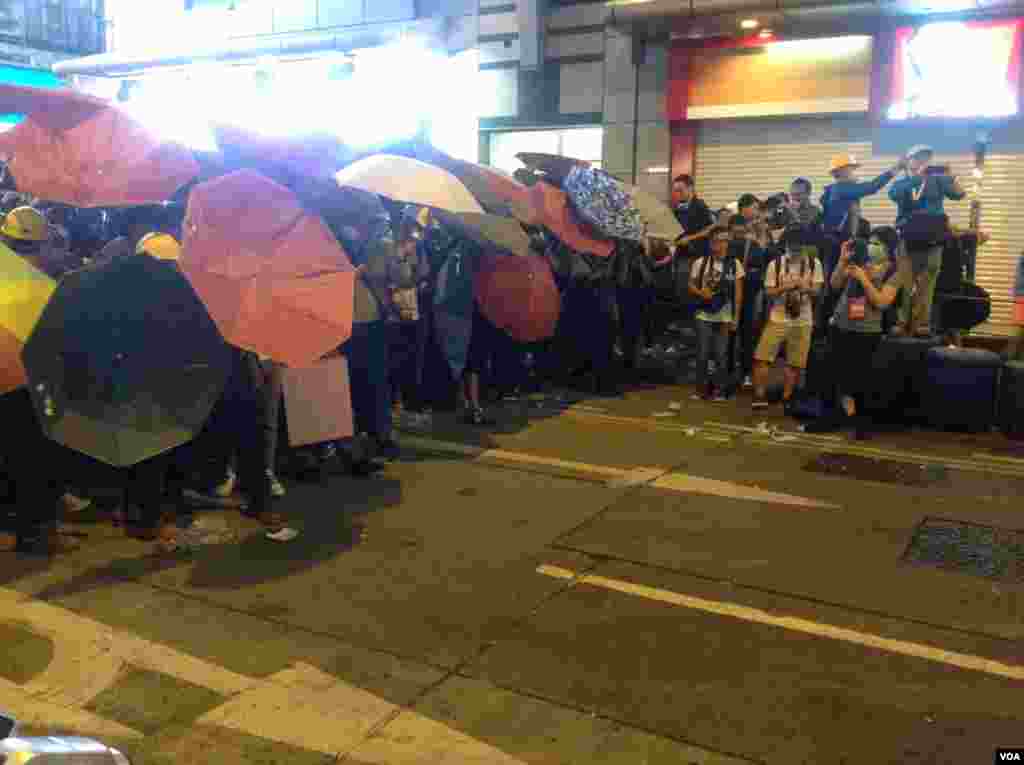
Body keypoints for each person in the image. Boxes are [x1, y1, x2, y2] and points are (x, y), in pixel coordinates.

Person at [0, 206, 79, 555]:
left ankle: (5, 530)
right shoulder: (40, 285)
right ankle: (37, 532)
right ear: (42, 244)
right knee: (34, 460)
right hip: (26, 385)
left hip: (5, 381)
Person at [828, 233, 912, 439]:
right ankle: (836, 418)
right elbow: (834, 285)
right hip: (841, 325)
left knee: (862, 381)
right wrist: (842, 260)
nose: (872, 247)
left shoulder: (894, 272)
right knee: (837, 376)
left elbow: (882, 302)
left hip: (867, 331)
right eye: (871, 243)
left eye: (878, 243)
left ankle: (861, 425)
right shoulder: (859, 262)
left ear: (888, 249)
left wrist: (864, 279)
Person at [889, 145, 968, 337]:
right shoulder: (903, 183)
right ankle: (902, 322)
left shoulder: (938, 180)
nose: (923, 161)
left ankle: (922, 324)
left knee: (927, 283)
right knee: (906, 283)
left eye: (926, 157)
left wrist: (952, 175)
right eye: (918, 157)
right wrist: (919, 177)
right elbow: (894, 195)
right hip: (908, 239)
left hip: (934, 240)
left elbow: (959, 194)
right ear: (909, 161)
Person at [752, 232, 825, 410]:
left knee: (795, 362)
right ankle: (759, 395)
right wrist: (783, 288)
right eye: (792, 247)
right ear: (786, 246)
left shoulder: (814, 264)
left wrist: (803, 287)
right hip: (778, 317)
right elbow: (768, 292)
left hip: (803, 318)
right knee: (762, 358)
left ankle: (787, 398)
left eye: (799, 248)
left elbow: (817, 291)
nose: (795, 251)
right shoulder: (775, 265)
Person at [689, 225, 745, 401]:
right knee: (702, 353)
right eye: (718, 240)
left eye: (725, 240)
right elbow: (690, 284)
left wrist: (736, 317)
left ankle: (720, 390)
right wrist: (701, 293)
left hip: (725, 314)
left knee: (722, 354)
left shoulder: (735, 264)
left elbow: (738, 293)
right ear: (711, 243)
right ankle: (700, 390)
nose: (721, 244)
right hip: (703, 313)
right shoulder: (701, 262)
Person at [820, 154, 905, 238]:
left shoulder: (837, 189)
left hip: (839, 238)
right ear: (842, 171)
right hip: (839, 241)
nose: (854, 173)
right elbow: (873, 186)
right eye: (852, 169)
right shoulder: (842, 189)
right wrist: (896, 168)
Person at [672, 175, 716, 256]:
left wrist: (690, 238)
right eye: (675, 191)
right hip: (681, 254)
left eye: (680, 190)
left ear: (690, 188)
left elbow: (710, 229)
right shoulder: (677, 209)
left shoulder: (700, 206)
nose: (677, 194)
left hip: (698, 254)